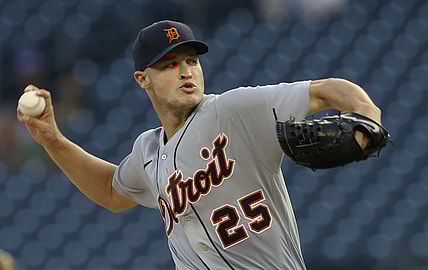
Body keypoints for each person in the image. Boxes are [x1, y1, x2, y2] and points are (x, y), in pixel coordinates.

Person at [17, 20, 381, 269]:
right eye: (170, 64)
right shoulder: (147, 150)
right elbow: (112, 192)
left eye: (191, 61)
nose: (186, 70)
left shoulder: (233, 109)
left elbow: (327, 90)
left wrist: (366, 116)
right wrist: (52, 138)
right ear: (143, 79)